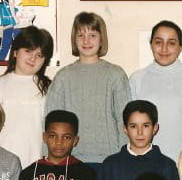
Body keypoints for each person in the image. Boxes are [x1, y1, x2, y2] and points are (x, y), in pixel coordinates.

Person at [45, 12, 131, 168]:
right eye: (81, 35)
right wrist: (48, 160)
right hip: (70, 160)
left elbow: (124, 119)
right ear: (74, 39)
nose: (86, 41)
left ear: (101, 39)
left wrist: (125, 157)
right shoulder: (63, 76)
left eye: (92, 35)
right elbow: (51, 121)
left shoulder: (116, 74)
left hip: (109, 159)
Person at [129, 20, 182, 161]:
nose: (164, 49)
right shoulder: (137, 79)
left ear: (180, 47)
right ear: (151, 44)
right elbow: (131, 125)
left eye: (171, 43)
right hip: (146, 162)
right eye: (158, 42)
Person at [0, 26, 54, 167]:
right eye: (28, 51)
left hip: (36, 166)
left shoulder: (50, 89)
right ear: (15, 52)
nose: (33, 58)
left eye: (39, 55)